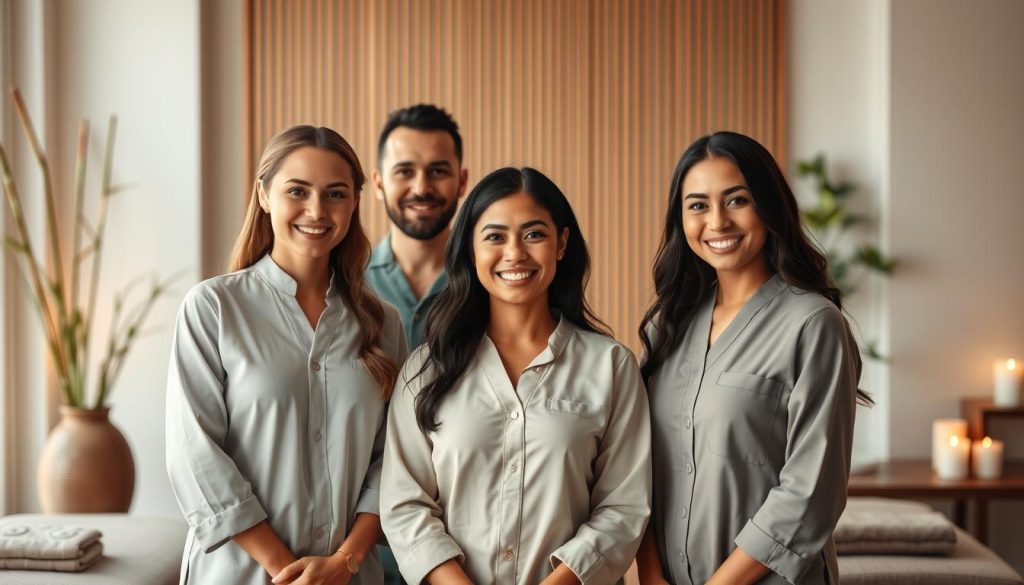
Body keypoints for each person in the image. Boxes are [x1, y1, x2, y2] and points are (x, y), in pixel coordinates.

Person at [381, 167, 652, 585]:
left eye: (534, 234)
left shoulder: (611, 366)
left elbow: (624, 507)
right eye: (494, 236)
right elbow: (405, 504)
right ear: (471, 249)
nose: (515, 253)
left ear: (561, 243)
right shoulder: (424, 369)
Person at [166, 125, 407, 584]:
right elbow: (194, 454)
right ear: (263, 194)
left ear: (355, 201)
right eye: (297, 190)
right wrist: (285, 571)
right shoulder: (213, 308)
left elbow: (395, 459)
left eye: (335, 193)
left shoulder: (384, 323)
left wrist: (345, 563)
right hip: (238, 573)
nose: (317, 210)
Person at [635, 131, 866, 585]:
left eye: (737, 200)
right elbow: (637, 467)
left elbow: (810, 493)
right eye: (698, 205)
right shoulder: (666, 327)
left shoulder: (813, 324)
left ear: (768, 205)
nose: (717, 221)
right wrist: (650, 575)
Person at [366, 104, 469, 350]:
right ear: (379, 184)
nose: (422, 188)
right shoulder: (345, 281)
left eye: (438, 171)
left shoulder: (487, 279)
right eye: (404, 171)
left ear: (462, 181)